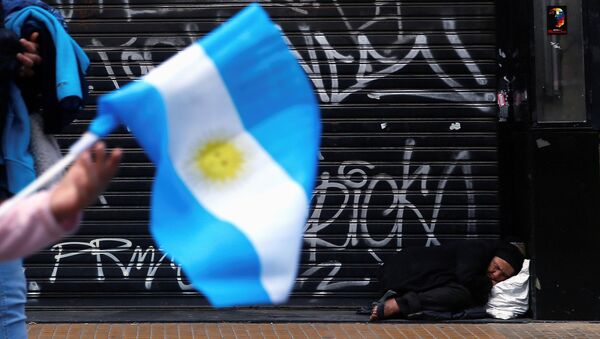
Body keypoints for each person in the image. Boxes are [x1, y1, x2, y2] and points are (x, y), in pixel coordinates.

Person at [369, 239, 525, 321]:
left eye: (504, 275)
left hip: (410, 276)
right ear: (492, 256)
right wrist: (486, 285)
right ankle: (398, 304)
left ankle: (400, 300)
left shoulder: (484, 259)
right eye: (496, 267)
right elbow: (466, 278)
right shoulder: (476, 249)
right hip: (402, 271)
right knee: (460, 294)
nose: (496, 275)